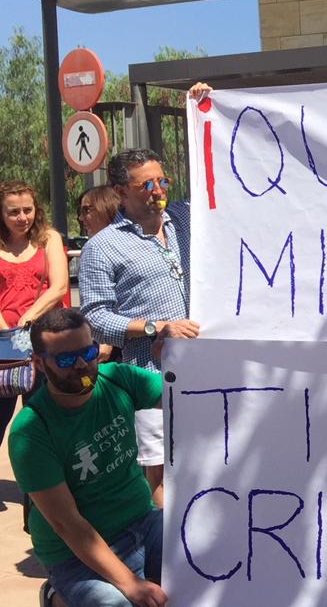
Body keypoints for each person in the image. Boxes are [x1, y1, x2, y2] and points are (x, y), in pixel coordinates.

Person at [7, 308, 166, 607]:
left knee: (206, 561)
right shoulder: (31, 430)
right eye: (66, 360)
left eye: (89, 351)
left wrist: (174, 361)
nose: (82, 365)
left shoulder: (119, 379)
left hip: (143, 522)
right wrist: (131, 584)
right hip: (74, 554)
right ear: (39, 363)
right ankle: (58, 598)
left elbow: (186, 395)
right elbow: (68, 524)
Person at [78, 148, 199, 508]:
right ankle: (165, 559)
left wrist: (203, 105)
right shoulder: (102, 248)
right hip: (150, 376)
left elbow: (220, 181)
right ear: (120, 191)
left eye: (163, 180)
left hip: (210, 369)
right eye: (146, 184)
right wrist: (155, 327)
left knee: (210, 458)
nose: (158, 190)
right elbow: (97, 319)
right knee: (159, 472)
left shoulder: (188, 218)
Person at [0, 181, 69, 444]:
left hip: (44, 340)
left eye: (27, 210)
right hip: (4, 341)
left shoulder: (49, 238)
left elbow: (60, 285)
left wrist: (28, 318)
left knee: (44, 417)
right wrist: (7, 331)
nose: (22, 218)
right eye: (13, 212)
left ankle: (39, 484)